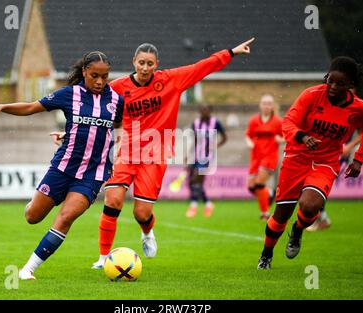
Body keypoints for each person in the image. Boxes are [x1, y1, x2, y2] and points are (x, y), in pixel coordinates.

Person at [90, 38, 255, 268]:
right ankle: (102, 257)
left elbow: (202, 67)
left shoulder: (170, 80)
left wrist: (231, 52)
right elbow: (91, 106)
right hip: (126, 152)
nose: (145, 68)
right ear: (133, 62)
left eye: (150, 63)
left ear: (157, 64)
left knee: (142, 213)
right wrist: (68, 131)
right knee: (113, 199)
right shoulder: (117, 88)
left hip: (155, 156)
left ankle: (147, 233)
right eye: (141, 63)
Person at [0, 51, 124, 279]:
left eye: (104, 76)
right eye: (94, 75)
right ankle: (37, 200)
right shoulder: (69, 94)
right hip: (63, 168)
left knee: (66, 217)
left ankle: (28, 269)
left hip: (92, 174)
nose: (99, 81)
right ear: (85, 72)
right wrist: (2, 106)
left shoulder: (116, 100)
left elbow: (114, 130)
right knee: (33, 217)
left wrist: (114, 156)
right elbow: (31, 107)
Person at [257, 56, 363, 270]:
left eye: (339, 83)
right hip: (296, 158)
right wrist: (302, 137)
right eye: (330, 80)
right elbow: (289, 122)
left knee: (310, 204)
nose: (332, 86)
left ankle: (297, 229)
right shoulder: (311, 95)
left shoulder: (360, 109)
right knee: (281, 214)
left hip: (326, 162)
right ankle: (266, 255)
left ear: (350, 85)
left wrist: (360, 159)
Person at [307, 130, 361, 231]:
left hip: (338, 156)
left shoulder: (354, 115)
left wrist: (349, 146)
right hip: (324, 153)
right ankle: (321, 218)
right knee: (315, 185)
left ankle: (321, 219)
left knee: (319, 185)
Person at [245, 94, 284, 220]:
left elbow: (287, 137)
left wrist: (281, 140)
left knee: (259, 183)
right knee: (251, 187)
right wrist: (249, 142)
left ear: (272, 106)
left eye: (269, 103)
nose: (267, 106)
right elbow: (248, 135)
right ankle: (270, 193)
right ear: (260, 105)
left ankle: (265, 214)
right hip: (255, 157)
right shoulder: (254, 121)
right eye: (264, 103)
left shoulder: (278, 122)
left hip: (269, 157)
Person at [185, 105, 227, 218]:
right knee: (195, 182)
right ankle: (208, 204)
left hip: (208, 158)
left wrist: (214, 146)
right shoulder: (196, 123)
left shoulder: (215, 123)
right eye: (202, 110)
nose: (204, 112)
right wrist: (188, 154)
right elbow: (194, 140)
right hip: (195, 156)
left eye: (206, 110)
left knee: (194, 180)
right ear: (199, 111)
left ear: (210, 111)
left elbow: (224, 138)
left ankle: (193, 207)